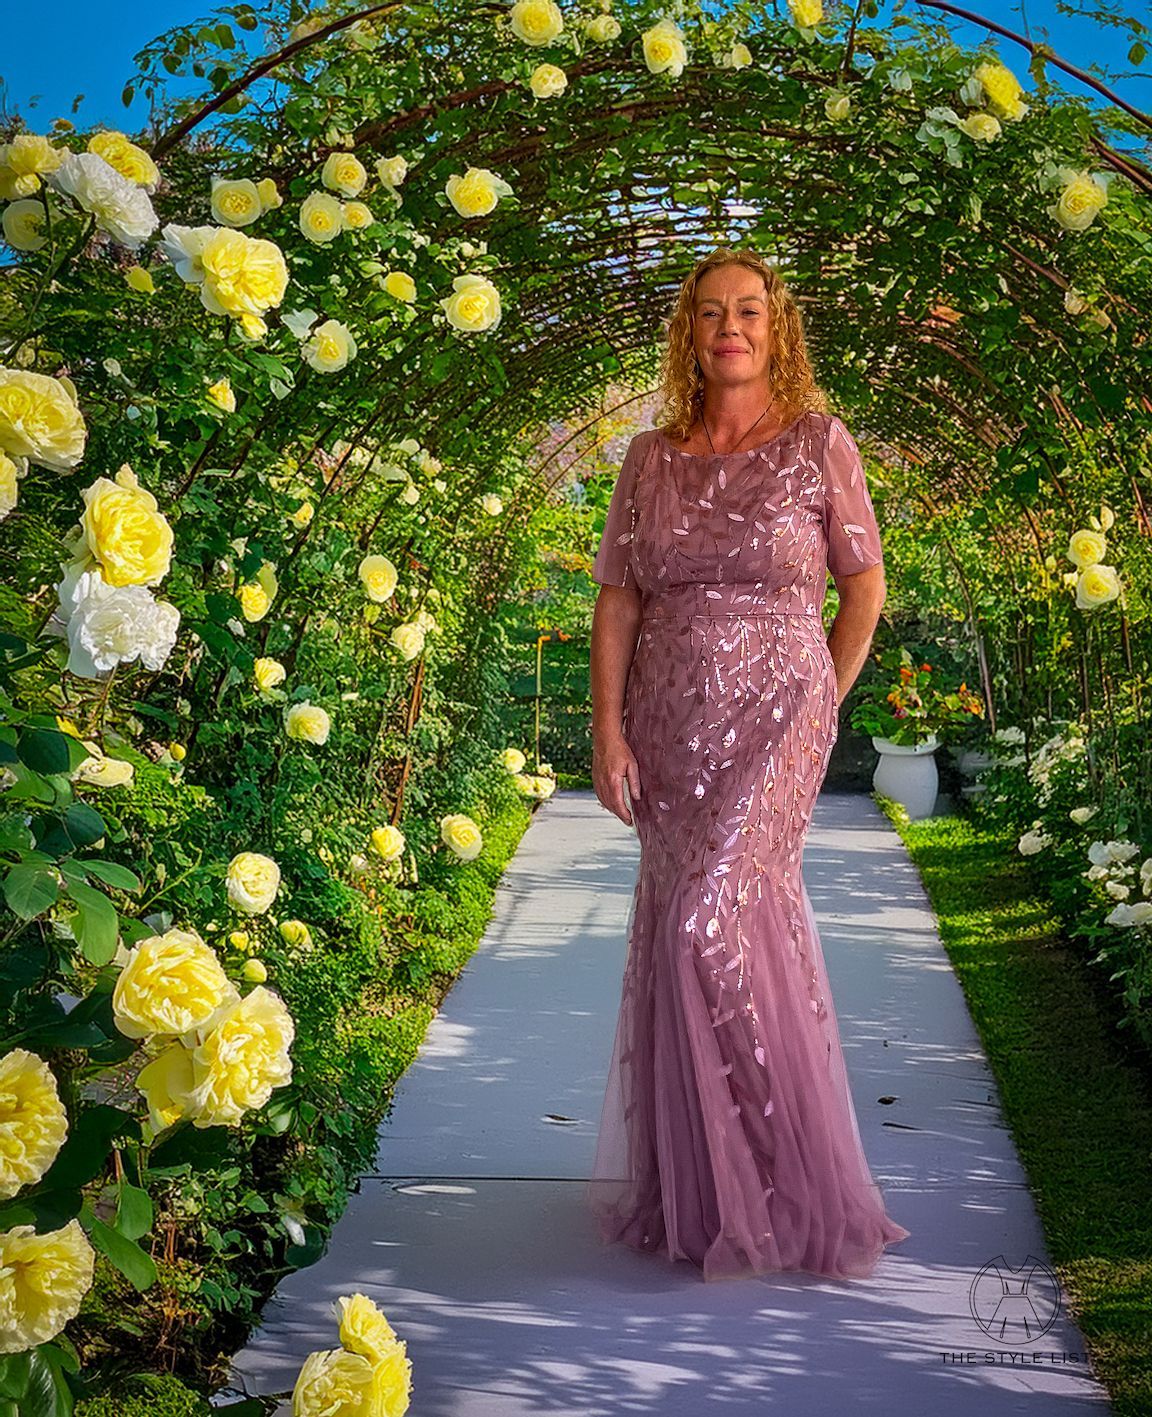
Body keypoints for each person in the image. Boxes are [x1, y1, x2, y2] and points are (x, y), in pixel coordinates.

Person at [585, 246, 911, 1282]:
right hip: (669, 725)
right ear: (690, 331)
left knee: (710, 917)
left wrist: (826, 690)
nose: (732, 326)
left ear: (778, 329)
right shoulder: (650, 456)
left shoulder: (819, 442)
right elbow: (619, 599)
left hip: (778, 717)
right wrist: (607, 729)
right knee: (692, 932)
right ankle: (716, 1189)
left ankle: (787, 1168)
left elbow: (862, 585)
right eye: (713, 312)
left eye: (751, 312)